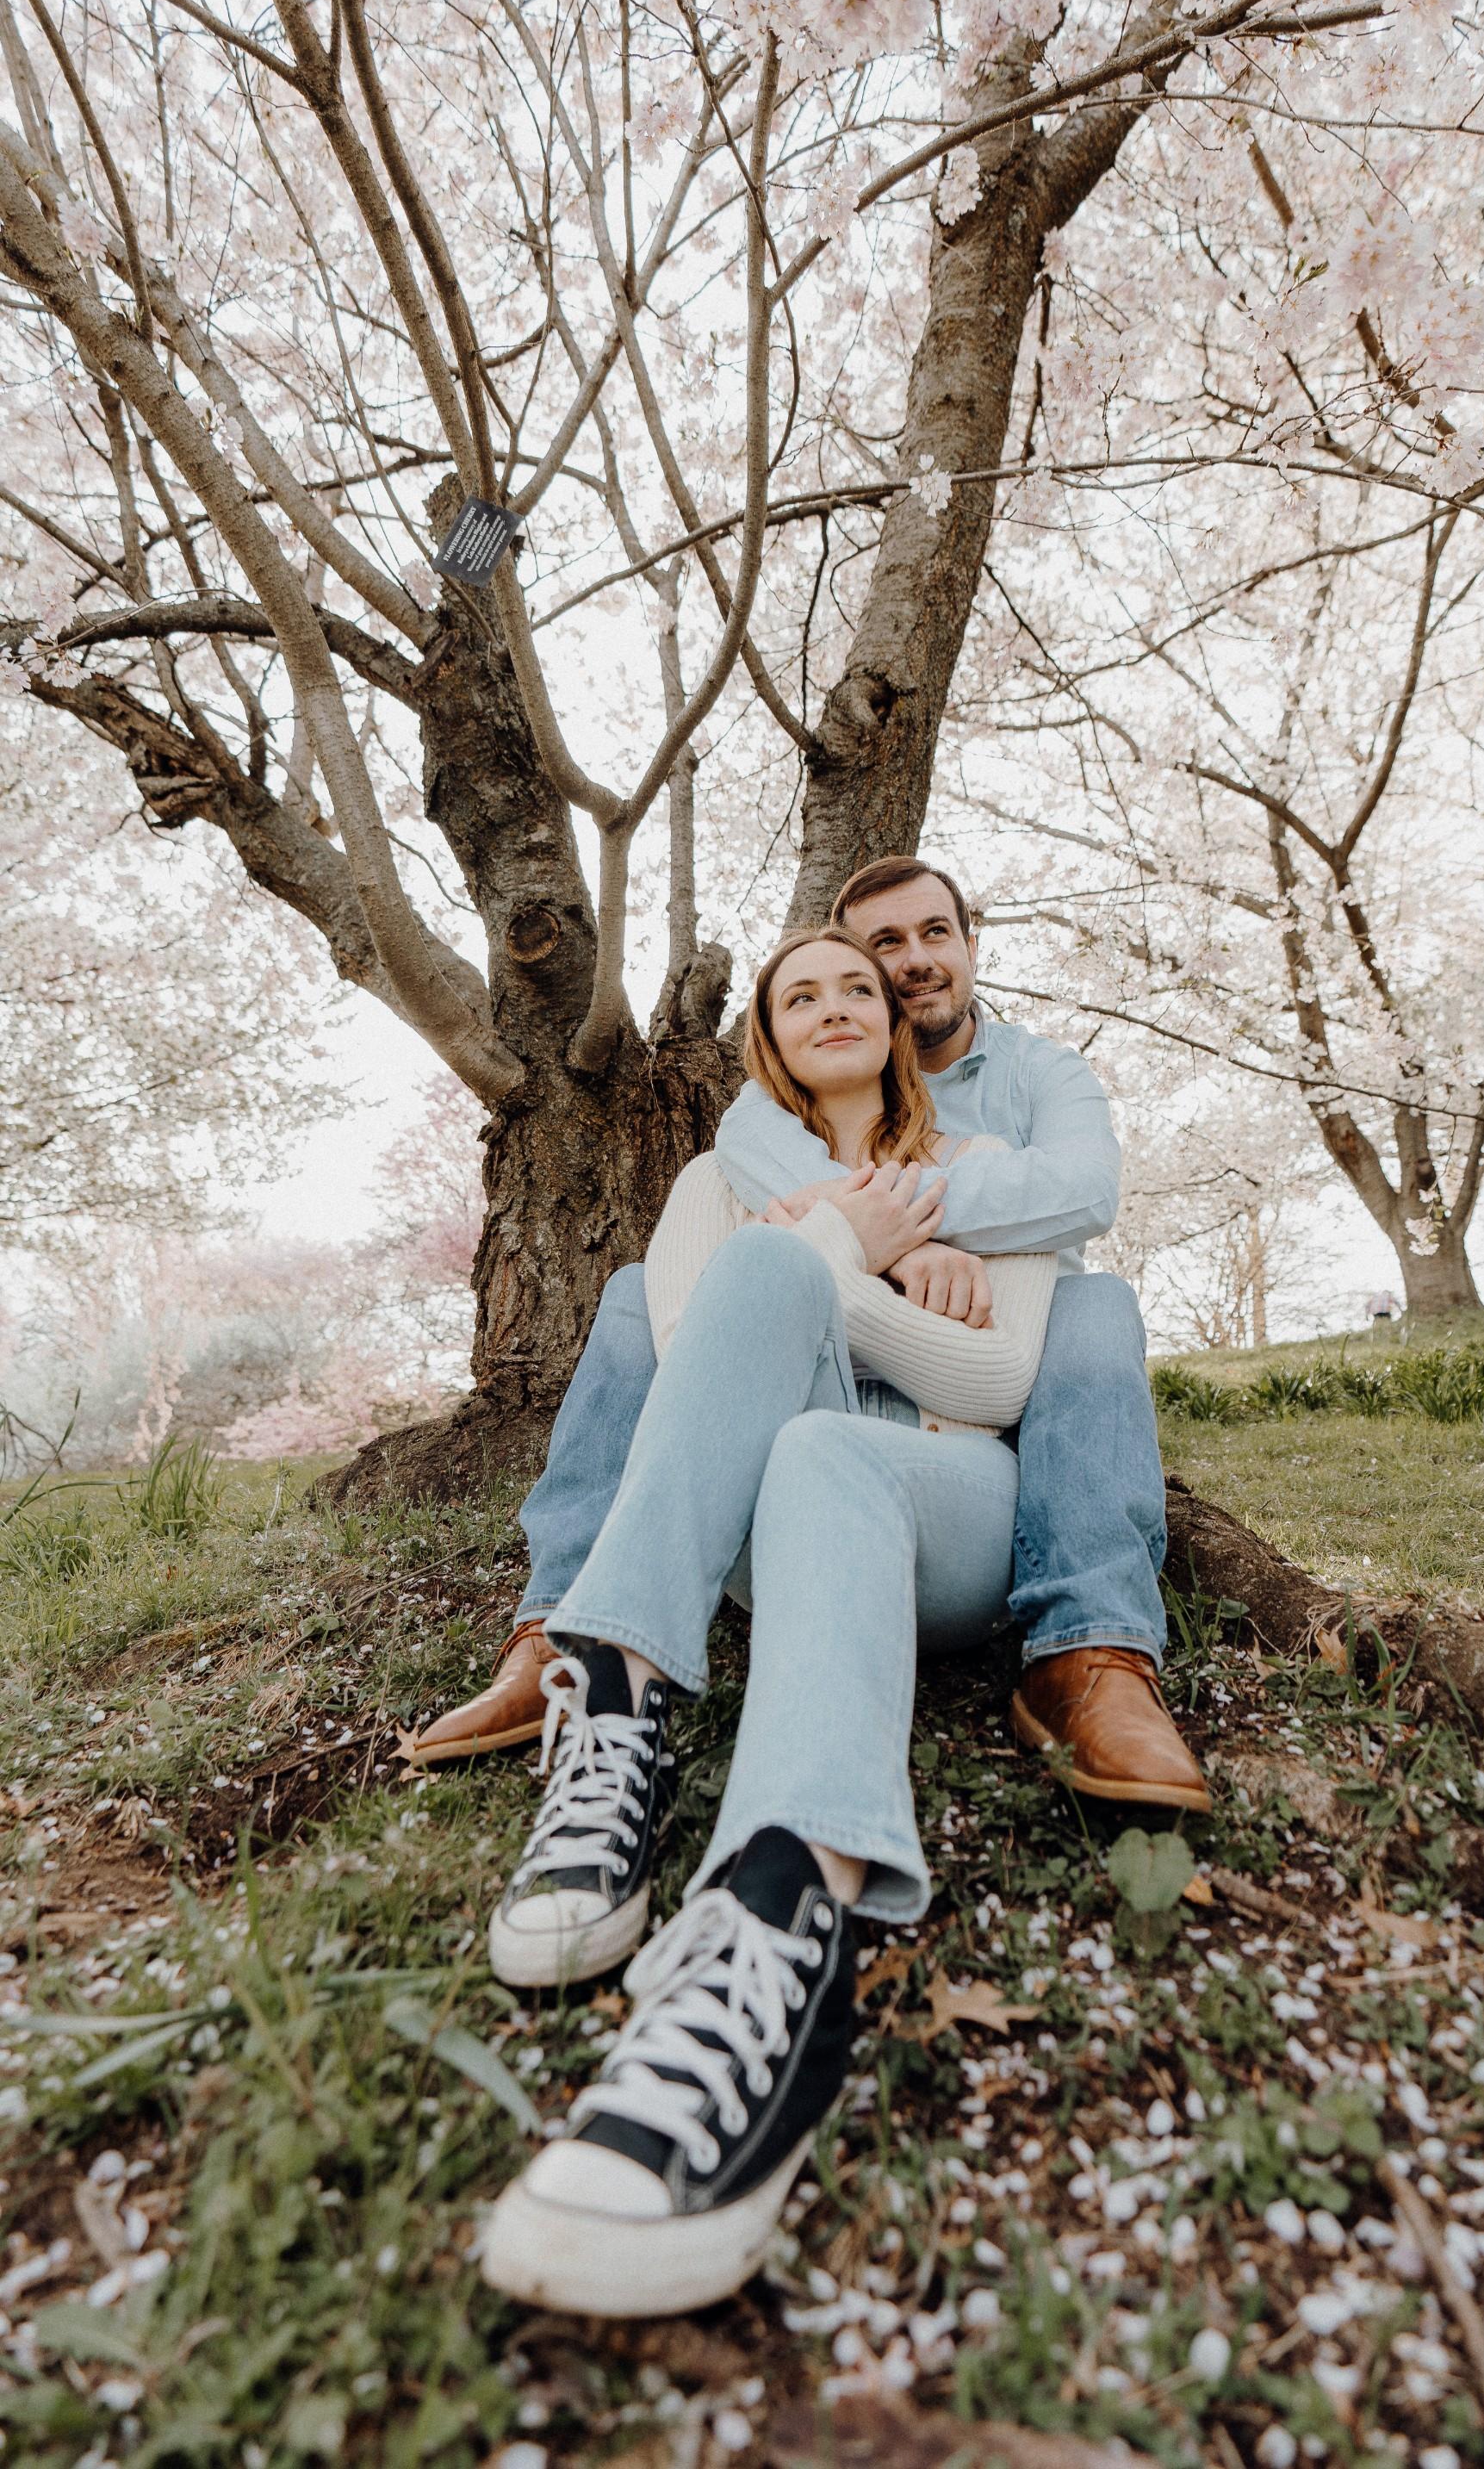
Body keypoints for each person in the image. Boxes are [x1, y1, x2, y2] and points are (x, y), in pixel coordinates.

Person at [478, 927, 1059, 2317]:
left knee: (826, 1436)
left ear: (894, 1018)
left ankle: (781, 1913)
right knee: (780, 1387)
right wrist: (844, 1254)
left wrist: (835, 1270)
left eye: (855, 985)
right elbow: (692, 1360)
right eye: (799, 995)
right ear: (768, 1039)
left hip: (943, 1509)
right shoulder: (709, 1183)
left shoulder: (977, 1172)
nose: (833, 1006)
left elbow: (995, 1382)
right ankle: (623, 1730)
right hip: (759, 1527)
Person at [410, 855, 1208, 1812]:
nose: (909, 965)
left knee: (1096, 1304)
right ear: (772, 1038)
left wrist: (893, 1224)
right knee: (638, 1296)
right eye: (878, 950)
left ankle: (1090, 1645)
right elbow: (719, 1277)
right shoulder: (747, 1137)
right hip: (810, 1429)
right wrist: (862, 1251)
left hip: (994, 1410)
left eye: (931, 936)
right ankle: (562, 1629)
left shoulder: (1037, 1080)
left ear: (964, 945)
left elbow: (1079, 1196)